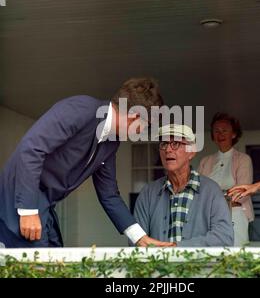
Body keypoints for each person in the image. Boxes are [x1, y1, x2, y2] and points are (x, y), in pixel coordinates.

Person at [0, 77, 175, 248]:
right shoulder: (81, 109)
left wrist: (140, 237)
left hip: (45, 202)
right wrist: (28, 209)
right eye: (147, 125)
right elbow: (31, 149)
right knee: (38, 266)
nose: (143, 130)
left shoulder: (112, 142)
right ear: (135, 116)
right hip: (19, 196)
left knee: (55, 255)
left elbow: (109, 194)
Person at [133, 124, 234, 247]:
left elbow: (224, 237)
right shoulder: (148, 193)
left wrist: (177, 248)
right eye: (164, 144)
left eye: (175, 144)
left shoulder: (211, 190)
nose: (168, 150)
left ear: (191, 151)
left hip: (198, 266)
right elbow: (136, 240)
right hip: (157, 265)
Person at [198, 113, 254, 246]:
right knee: (211, 253)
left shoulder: (243, 159)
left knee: (236, 253)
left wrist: (212, 199)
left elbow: (241, 192)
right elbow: (198, 190)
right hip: (209, 215)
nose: (220, 134)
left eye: (224, 130)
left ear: (233, 134)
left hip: (236, 214)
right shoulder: (205, 161)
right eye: (216, 131)